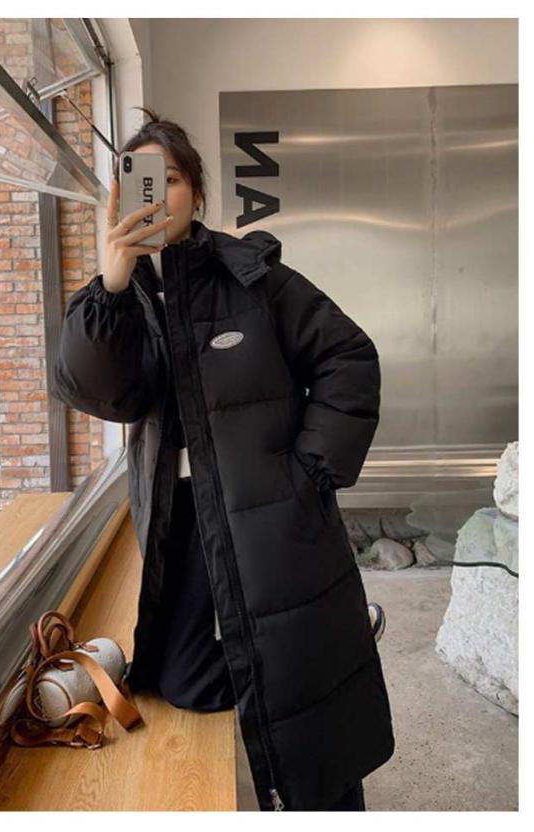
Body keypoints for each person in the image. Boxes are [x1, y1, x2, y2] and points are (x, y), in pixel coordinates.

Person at [52, 108, 395, 811]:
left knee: (306, 696)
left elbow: (348, 355)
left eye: (172, 178)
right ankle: (325, 645)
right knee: (183, 679)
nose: (157, 194)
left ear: (197, 194)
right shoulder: (121, 298)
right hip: (180, 518)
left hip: (270, 512)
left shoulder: (251, 276)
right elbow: (97, 394)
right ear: (120, 195)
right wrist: (111, 283)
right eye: (140, 180)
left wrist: (313, 470)